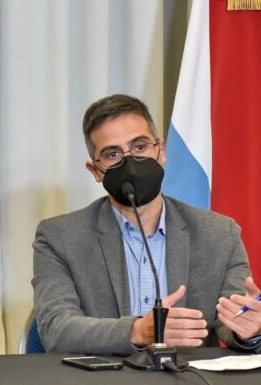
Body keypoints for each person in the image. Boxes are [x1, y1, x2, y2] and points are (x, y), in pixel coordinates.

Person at [32, 94, 261, 354]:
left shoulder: (219, 234)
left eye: (140, 147)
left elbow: (232, 322)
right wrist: (137, 331)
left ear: (161, 151)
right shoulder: (59, 238)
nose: (130, 163)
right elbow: (56, 328)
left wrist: (249, 329)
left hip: (189, 373)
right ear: (95, 170)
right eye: (112, 154)